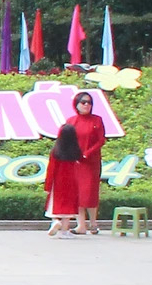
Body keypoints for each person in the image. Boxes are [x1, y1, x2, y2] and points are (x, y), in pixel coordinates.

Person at [45, 90, 107, 237]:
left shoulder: (97, 120)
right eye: (83, 102)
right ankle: (81, 225)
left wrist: (87, 153)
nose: (87, 105)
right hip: (74, 161)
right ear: (76, 104)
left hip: (90, 162)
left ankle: (93, 223)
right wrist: (73, 154)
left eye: (89, 102)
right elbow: (65, 140)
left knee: (90, 192)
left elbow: (101, 140)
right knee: (77, 192)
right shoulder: (71, 121)